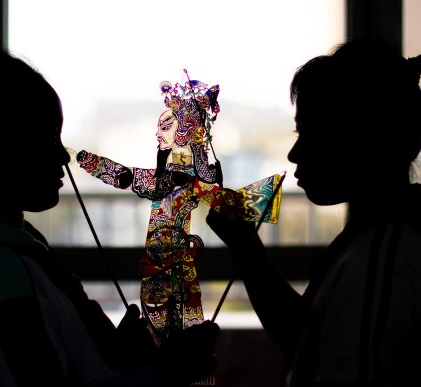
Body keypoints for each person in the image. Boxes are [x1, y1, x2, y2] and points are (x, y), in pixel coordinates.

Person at [0, 50, 220, 387]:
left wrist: (117, 357)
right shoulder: (0, 279)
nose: (63, 156)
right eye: (46, 137)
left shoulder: (8, 259)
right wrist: (162, 374)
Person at [206, 38, 421, 387]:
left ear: (363, 139)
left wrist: (244, 247)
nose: (294, 153)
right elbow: (309, 341)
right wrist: (243, 245)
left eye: (310, 133)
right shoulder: (376, 245)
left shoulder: (382, 259)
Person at [76, 75, 282, 346]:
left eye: (165, 127)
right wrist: (91, 162)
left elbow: (126, 177)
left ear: (182, 135)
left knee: (178, 336)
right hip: (163, 264)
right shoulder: (171, 182)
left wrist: (90, 162)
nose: (158, 134)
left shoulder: (180, 183)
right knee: (166, 336)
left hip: (173, 265)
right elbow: (127, 176)